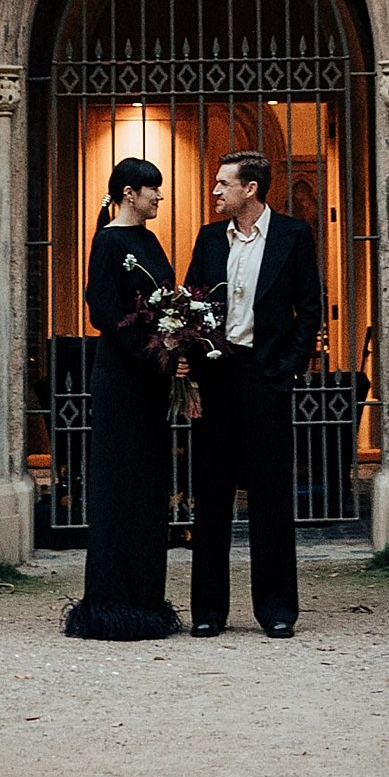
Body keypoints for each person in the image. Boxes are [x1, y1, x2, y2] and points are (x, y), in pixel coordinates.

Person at [182, 147, 321, 637]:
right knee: (212, 495)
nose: (215, 191)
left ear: (250, 189)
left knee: (271, 496)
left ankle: (277, 610)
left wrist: (287, 369)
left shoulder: (293, 235)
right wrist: (193, 369)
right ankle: (208, 612)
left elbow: (310, 309)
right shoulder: (207, 239)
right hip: (218, 377)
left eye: (224, 183)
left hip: (267, 378)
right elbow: (191, 306)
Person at [62, 155, 183, 641]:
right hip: (122, 379)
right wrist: (152, 349)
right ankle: (111, 603)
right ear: (129, 193)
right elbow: (102, 310)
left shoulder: (150, 240)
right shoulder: (109, 241)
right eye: (152, 189)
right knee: (119, 485)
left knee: (149, 487)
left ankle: (144, 600)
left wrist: (175, 343)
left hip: (152, 380)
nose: (158, 197)